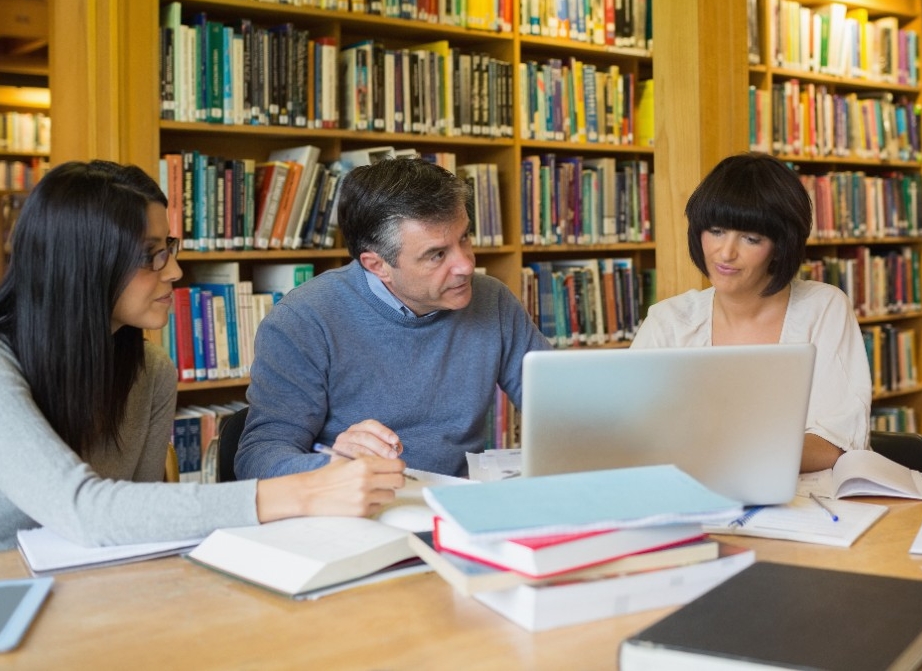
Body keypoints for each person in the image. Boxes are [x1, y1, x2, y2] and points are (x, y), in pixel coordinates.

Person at [0, 161, 406, 551]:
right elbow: (84, 511)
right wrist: (304, 491)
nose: (174, 271)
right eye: (149, 254)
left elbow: (146, 521)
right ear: (84, 263)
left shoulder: (151, 371)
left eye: (169, 247)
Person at [236, 157, 551, 480]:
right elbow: (258, 459)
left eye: (465, 238)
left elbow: (563, 407)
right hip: (356, 513)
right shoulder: (304, 320)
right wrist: (337, 465)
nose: (466, 265)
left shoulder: (492, 301)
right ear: (377, 265)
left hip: (457, 506)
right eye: (437, 254)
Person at [631, 153, 871, 472]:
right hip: (692, 501)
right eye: (716, 231)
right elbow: (630, 433)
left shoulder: (823, 308)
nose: (726, 252)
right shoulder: (669, 321)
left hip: (805, 507)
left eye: (750, 238)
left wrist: (729, 456)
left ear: (780, 246)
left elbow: (837, 444)